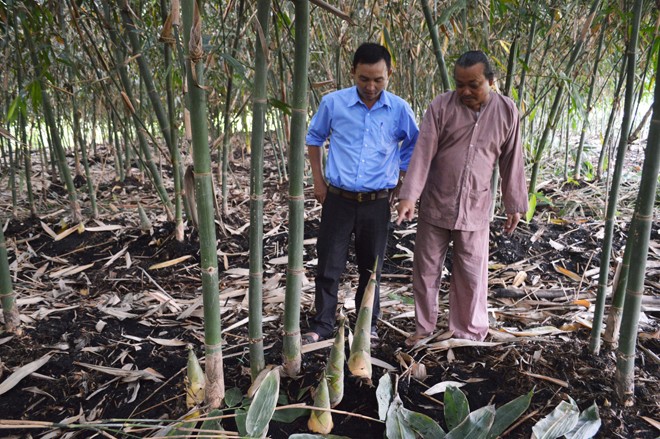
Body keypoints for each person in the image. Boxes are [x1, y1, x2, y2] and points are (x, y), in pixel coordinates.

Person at [396, 50, 527, 346]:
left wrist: (514, 203)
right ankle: (424, 329)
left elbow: (512, 161)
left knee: (471, 273)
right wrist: (409, 197)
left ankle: (467, 331)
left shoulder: (507, 111)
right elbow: (423, 152)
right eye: (460, 84)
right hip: (436, 202)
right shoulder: (441, 106)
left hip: (476, 207)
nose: (465, 91)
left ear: (491, 81)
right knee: (426, 270)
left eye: (474, 84)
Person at [303, 43, 419, 344]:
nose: (370, 86)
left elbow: (414, 144)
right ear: (352, 71)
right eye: (364, 78)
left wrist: (401, 179)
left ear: (389, 74)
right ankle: (323, 324)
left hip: (376, 203)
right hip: (338, 199)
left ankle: (368, 325)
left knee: (372, 269)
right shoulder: (334, 103)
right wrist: (318, 182)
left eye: (378, 79)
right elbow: (314, 138)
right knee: (329, 264)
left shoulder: (399, 109)